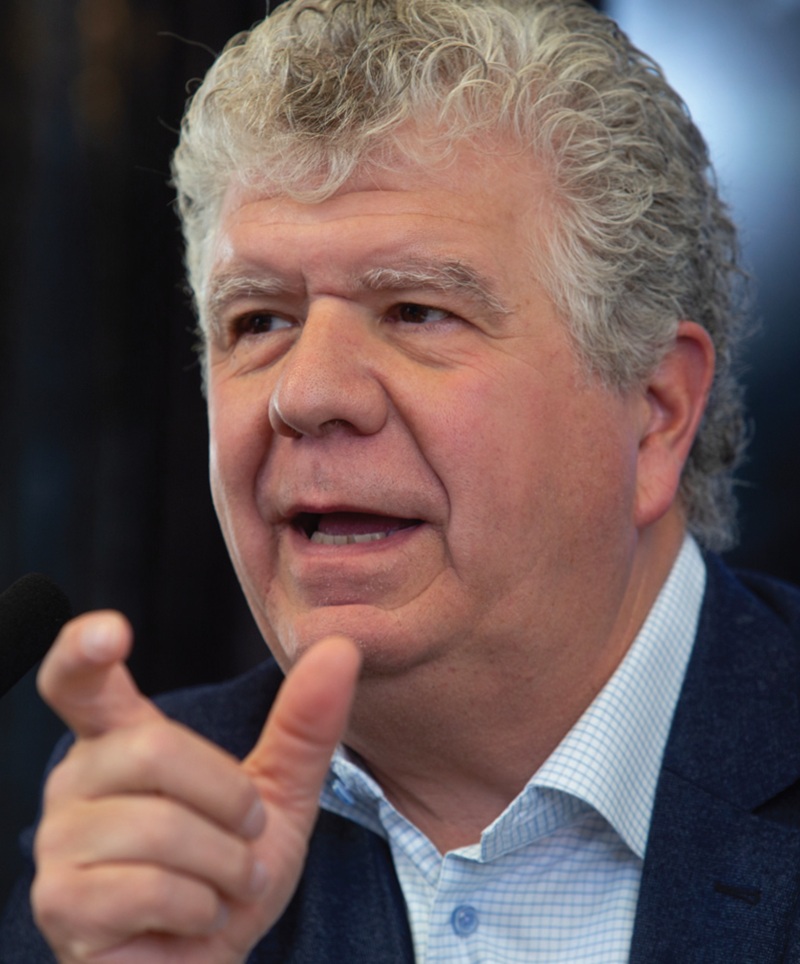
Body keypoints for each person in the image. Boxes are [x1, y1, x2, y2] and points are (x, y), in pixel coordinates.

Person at [3, 0, 800, 960]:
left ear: (656, 410)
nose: (306, 394)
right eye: (258, 321)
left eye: (417, 311)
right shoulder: (149, 829)